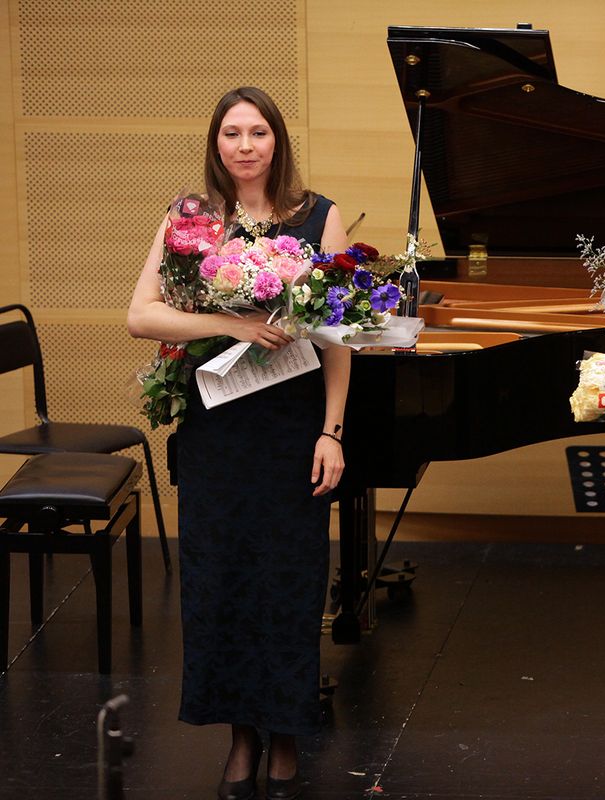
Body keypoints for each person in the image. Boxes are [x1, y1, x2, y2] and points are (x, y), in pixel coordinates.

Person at [127, 86, 350, 800]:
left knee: (288, 583)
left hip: (292, 427)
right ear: (216, 143)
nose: (245, 145)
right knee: (220, 582)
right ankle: (240, 736)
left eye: (258, 132)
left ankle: (284, 734)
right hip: (218, 427)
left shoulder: (318, 216)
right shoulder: (190, 219)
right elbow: (141, 315)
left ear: (277, 140)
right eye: (232, 133)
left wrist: (331, 432)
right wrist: (231, 324)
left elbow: (338, 338)